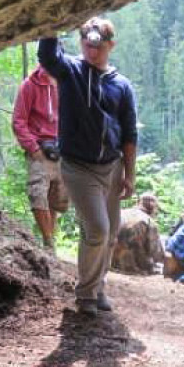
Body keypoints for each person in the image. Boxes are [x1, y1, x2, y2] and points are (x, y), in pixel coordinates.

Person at [39, 17, 139, 316]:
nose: (91, 52)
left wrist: (130, 174)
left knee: (109, 235)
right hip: (78, 166)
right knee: (97, 228)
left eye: (97, 46)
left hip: (112, 166)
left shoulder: (121, 85)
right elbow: (47, 57)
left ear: (111, 45)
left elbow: (130, 132)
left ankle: (98, 287)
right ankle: (85, 295)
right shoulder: (70, 71)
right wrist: (53, 19)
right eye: (86, 45)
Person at [12, 65, 67, 250]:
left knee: (56, 197)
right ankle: (47, 240)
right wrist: (33, 148)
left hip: (62, 148)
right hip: (39, 148)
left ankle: (51, 242)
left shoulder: (65, 82)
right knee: (38, 193)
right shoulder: (29, 85)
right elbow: (19, 121)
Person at [111, 193, 164, 274]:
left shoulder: (121, 213)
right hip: (132, 266)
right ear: (154, 209)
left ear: (138, 203)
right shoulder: (149, 221)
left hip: (109, 261)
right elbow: (156, 252)